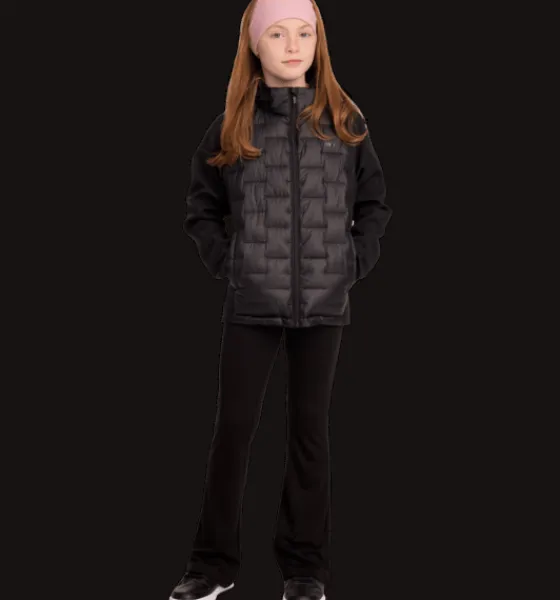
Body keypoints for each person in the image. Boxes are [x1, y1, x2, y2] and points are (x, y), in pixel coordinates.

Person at [170, 1, 392, 599]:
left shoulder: (345, 121)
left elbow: (373, 204)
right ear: (253, 45)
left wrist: (352, 262)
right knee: (234, 429)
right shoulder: (231, 126)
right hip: (252, 301)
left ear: (319, 42)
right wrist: (230, 262)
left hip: (324, 303)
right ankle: (211, 566)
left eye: (305, 33)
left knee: (309, 432)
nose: (293, 46)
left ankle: (304, 569)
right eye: (277, 33)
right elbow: (202, 207)